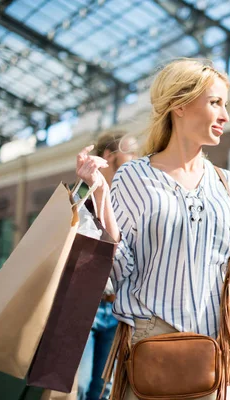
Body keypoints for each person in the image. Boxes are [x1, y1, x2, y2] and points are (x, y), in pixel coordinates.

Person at [75, 58, 230, 400]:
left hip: (215, 349)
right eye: (215, 103)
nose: (225, 116)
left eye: (226, 105)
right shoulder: (133, 178)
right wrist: (100, 193)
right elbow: (120, 269)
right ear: (179, 105)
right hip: (150, 344)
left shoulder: (229, 185)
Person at [77, 130, 138, 400]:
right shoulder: (82, 198)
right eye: (131, 151)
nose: (137, 158)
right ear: (109, 156)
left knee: (104, 390)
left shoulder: (133, 201)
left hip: (116, 308)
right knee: (75, 387)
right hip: (83, 305)